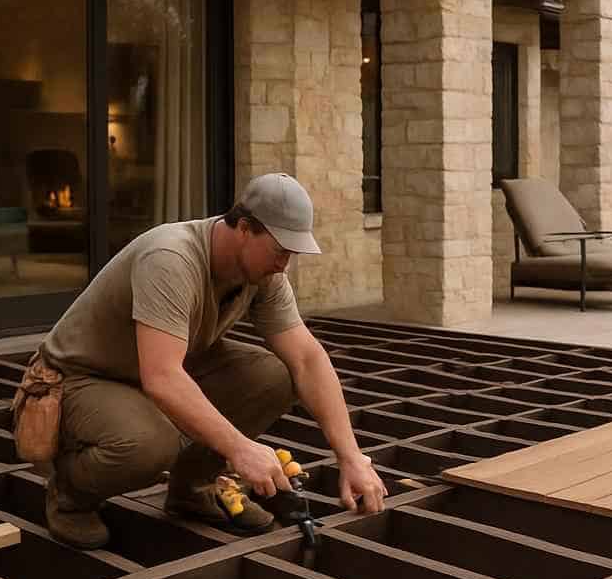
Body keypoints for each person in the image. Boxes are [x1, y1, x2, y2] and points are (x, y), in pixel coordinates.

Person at [33, 172, 387, 549]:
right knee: (149, 444)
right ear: (246, 228)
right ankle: (69, 496)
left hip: (157, 365)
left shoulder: (263, 275)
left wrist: (350, 456)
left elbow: (307, 359)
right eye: (281, 250)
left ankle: (191, 490)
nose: (285, 264)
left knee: (276, 375)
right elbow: (163, 378)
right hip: (82, 377)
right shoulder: (171, 259)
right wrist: (240, 449)